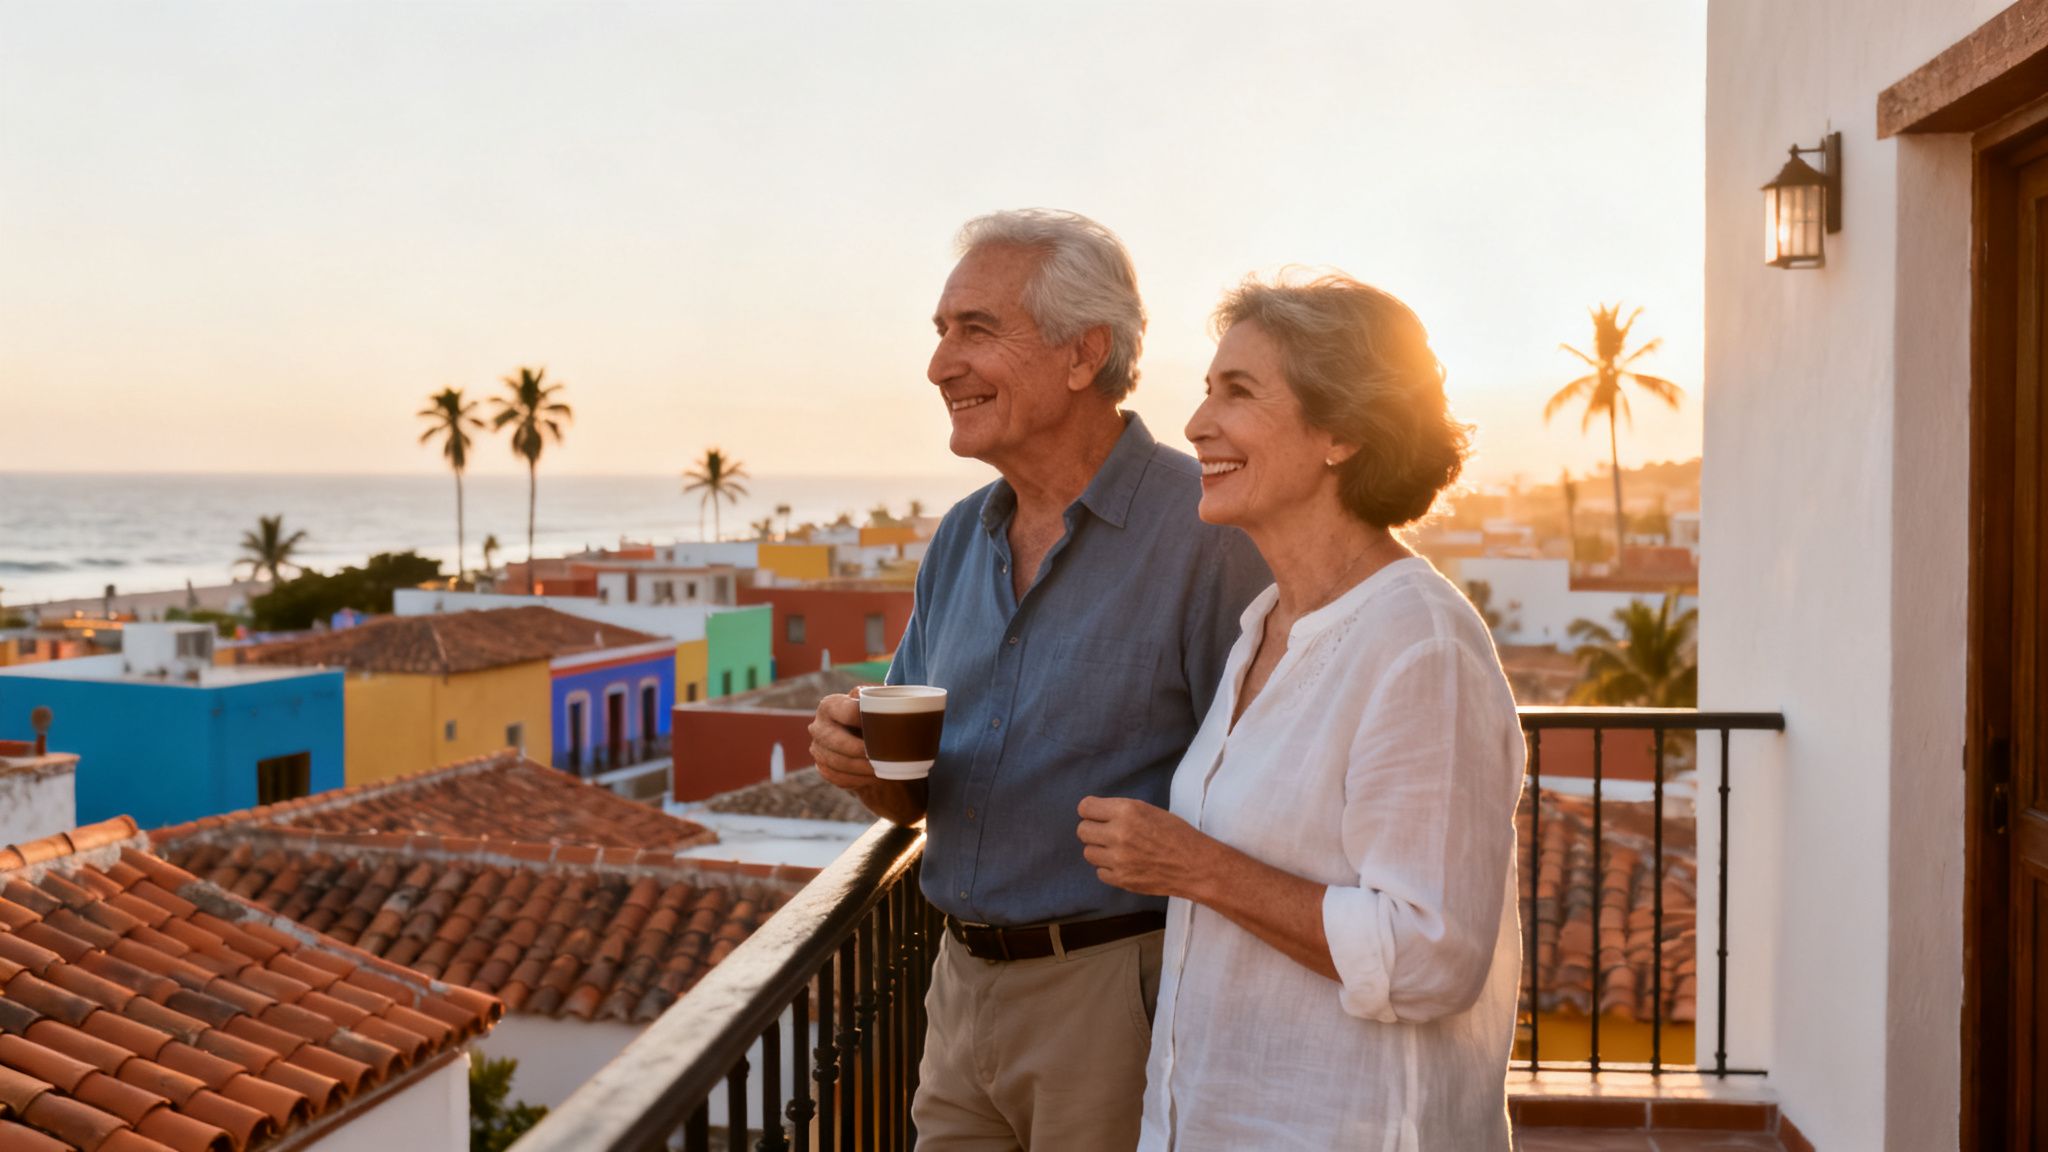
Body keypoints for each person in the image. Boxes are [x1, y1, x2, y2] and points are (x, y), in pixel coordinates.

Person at [809, 209, 1269, 1151]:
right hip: (958, 991)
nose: (940, 365)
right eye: (940, 333)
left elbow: (1281, 794)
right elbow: (915, 798)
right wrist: (861, 763)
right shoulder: (956, 539)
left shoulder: (1210, 533)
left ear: (1082, 352)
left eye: (976, 330)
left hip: (1117, 997)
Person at [1076, 273, 1524, 1150]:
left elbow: (1429, 955)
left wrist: (1195, 865)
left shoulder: (1419, 645)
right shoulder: (1265, 627)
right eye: (1205, 391)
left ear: (1344, 432)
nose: (1198, 424)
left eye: (1237, 392)